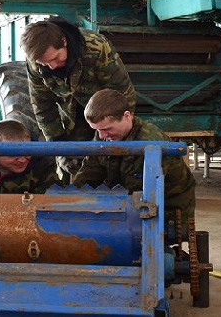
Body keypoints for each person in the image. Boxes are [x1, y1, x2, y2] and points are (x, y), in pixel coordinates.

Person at [20, 18, 135, 179]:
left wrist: (118, 132)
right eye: (45, 63)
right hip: (71, 119)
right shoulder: (36, 63)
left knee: (111, 166)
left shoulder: (96, 48)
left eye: (55, 58)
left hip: (105, 115)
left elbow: (122, 93)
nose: (52, 67)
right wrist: (58, 145)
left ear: (64, 42)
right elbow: (42, 106)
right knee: (74, 170)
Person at [72, 89, 196, 237]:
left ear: (127, 116)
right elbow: (90, 172)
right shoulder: (105, 136)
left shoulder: (151, 142)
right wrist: (69, 200)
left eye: (106, 129)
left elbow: (142, 197)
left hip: (168, 207)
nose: (101, 136)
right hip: (129, 200)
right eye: (97, 130)